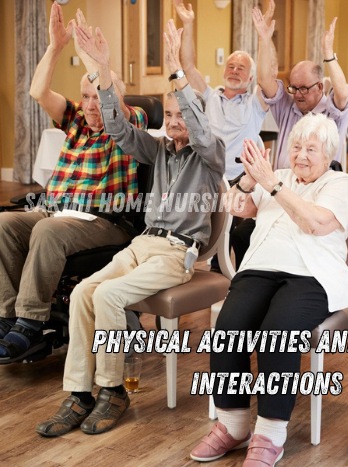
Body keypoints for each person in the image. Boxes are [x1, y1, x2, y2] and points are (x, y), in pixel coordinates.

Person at [35, 19, 225, 437]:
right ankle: (80, 396)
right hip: (143, 244)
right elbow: (119, 130)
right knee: (85, 291)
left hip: (177, 253)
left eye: (182, 115)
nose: (175, 122)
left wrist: (176, 68)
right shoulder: (157, 150)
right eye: (170, 115)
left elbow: (199, 126)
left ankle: (112, 390)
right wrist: (104, 70)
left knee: (108, 294)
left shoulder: (211, 156)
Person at [189, 114, 348, 465]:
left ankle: (269, 434)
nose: (302, 155)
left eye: (312, 149)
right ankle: (233, 426)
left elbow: (316, 223)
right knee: (228, 328)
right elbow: (234, 207)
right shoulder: (275, 176)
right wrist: (250, 182)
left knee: (277, 333)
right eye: (296, 147)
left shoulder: (340, 182)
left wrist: (274, 187)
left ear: (327, 155)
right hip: (259, 270)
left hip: (312, 275)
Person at [0, 4, 146, 361]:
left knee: (49, 232)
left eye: (99, 96)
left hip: (105, 221)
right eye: (87, 97)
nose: (93, 105)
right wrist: (55, 46)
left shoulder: (130, 123)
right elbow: (37, 91)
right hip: (57, 211)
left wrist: (96, 61)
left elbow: (114, 107)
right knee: (3, 224)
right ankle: (7, 316)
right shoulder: (76, 120)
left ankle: (31, 322)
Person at [174, 0, 270, 268]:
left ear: (250, 78)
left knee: (242, 236)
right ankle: (212, 267)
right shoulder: (210, 97)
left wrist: (263, 39)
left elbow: (266, 78)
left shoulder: (255, 103)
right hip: (212, 176)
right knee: (211, 236)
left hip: (244, 178)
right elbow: (188, 65)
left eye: (241, 68)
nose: (234, 71)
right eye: (230, 66)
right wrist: (189, 24)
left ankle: (243, 272)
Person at [253, 0, 348, 169]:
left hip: (318, 190)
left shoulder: (332, 113)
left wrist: (328, 54)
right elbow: (264, 80)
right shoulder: (287, 106)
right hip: (282, 186)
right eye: (293, 88)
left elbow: (342, 94)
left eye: (304, 89)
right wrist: (264, 39)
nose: (297, 94)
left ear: (320, 87)